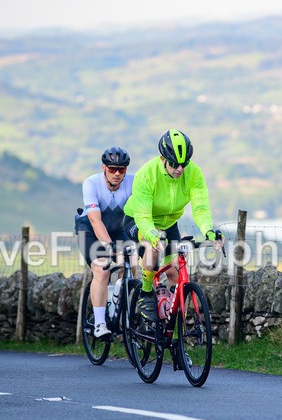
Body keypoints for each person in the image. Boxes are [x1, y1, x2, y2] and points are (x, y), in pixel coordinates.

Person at [122, 129, 223, 322]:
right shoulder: (147, 174)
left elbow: (200, 208)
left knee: (175, 276)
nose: (180, 169)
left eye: (184, 164)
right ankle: (144, 293)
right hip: (138, 220)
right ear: (163, 158)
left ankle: (176, 340)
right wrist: (153, 235)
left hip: (169, 223)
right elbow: (143, 216)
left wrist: (209, 231)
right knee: (154, 242)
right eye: (175, 164)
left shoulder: (193, 174)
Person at [75, 146, 135, 338]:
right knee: (102, 269)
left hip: (118, 228)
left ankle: (123, 307)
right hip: (90, 229)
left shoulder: (133, 183)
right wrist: (109, 247)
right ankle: (100, 323)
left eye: (122, 169)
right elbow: (95, 219)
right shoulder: (91, 183)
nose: (117, 173)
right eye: (112, 169)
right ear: (103, 168)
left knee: (134, 264)